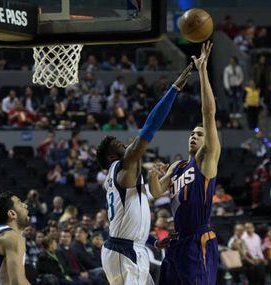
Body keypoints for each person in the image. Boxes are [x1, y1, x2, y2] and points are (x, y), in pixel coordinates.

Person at [96, 62, 193, 285]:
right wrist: (174, 90)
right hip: (125, 251)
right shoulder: (123, 166)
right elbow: (149, 128)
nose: (126, 144)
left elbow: (131, 216)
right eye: (120, 144)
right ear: (113, 157)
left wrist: (152, 241)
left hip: (128, 247)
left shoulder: (123, 177)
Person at [149, 42, 221, 285]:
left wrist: (202, 72)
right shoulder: (177, 167)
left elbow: (208, 114)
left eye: (199, 134)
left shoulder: (206, 160)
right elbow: (155, 191)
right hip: (176, 241)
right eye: (192, 133)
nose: (194, 136)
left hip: (199, 239)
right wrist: (152, 172)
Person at [0, 191, 31, 284]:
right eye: (20, 203)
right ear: (12, 213)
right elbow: (17, 282)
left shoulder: (0, 235)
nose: (25, 206)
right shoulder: (11, 237)